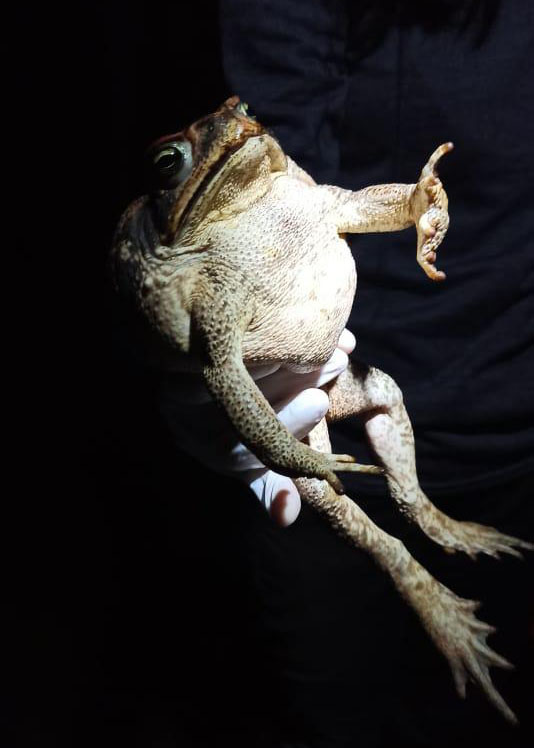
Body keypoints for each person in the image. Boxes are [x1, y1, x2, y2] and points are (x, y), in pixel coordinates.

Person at [156, 1, 534, 746]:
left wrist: (420, 204)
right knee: (343, 707)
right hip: (334, 404)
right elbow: (294, 192)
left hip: (517, 417)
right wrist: (204, 373)